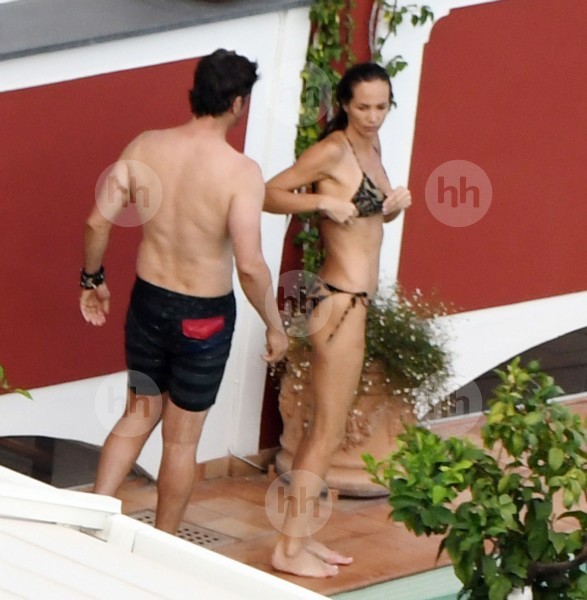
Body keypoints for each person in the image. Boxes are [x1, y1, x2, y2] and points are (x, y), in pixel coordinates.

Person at [80, 49, 288, 535]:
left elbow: (96, 221)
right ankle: (164, 545)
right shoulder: (240, 172)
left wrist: (92, 280)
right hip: (204, 318)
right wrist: (274, 325)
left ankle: (89, 525)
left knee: (137, 415)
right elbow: (250, 265)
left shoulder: (145, 146)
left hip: (149, 301)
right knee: (179, 443)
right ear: (237, 103)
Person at [264, 62, 412, 577]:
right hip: (339, 303)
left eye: (382, 106)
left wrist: (392, 207)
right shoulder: (333, 150)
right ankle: (288, 548)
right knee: (326, 430)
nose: (373, 116)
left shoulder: (372, 146)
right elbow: (268, 192)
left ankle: (301, 537)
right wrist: (323, 200)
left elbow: (366, 221)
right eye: (363, 106)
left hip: (354, 303)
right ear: (346, 104)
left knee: (325, 429)